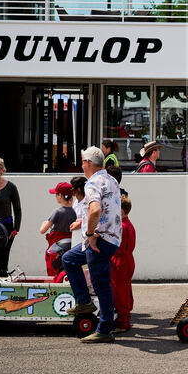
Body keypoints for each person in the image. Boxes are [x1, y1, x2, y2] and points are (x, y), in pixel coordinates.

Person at [62, 146, 123, 343]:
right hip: (111, 238)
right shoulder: (111, 179)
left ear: (88, 163)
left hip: (99, 240)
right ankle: (84, 301)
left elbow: (95, 210)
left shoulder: (92, 183)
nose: (81, 165)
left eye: (82, 161)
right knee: (69, 259)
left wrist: (90, 234)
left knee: (101, 284)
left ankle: (105, 329)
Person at [111, 195, 137, 334]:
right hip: (127, 260)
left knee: (119, 292)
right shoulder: (128, 224)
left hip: (120, 261)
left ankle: (122, 322)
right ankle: (125, 319)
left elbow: (116, 246)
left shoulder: (121, 226)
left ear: (120, 211)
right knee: (125, 290)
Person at [40, 182, 76, 277]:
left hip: (56, 248)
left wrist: (44, 223)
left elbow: (42, 230)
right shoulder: (75, 212)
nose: (56, 196)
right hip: (71, 246)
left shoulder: (57, 212)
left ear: (60, 195)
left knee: (54, 273)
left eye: (56, 194)